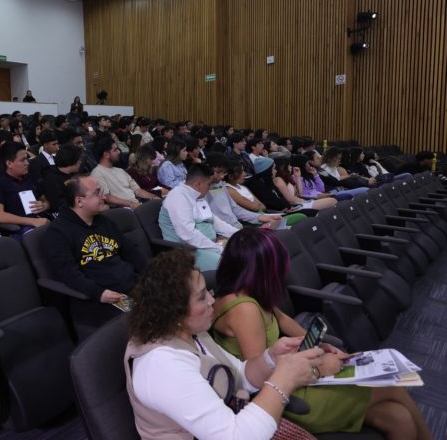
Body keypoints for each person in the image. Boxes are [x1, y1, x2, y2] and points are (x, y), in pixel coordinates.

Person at [212, 229, 433, 438]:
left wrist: (321, 346)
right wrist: (319, 367)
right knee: (394, 388)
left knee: (399, 419)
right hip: (285, 397)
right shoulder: (245, 309)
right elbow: (262, 378)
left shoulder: (252, 293)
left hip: (294, 376)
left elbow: (283, 320)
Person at [125, 248, 325, 440]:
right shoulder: (162, 365)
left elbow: (239, 374)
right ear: (175, 311)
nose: (212, 300)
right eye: (202, 296)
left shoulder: (193, 334)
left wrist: (272, 358)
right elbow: (235, 436)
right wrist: (285, 379)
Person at [43, 175, 148, 323]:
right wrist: (99, 293)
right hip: (101, 299)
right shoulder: (57, 233)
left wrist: (152, 274)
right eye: (97, 193)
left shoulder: (104, 222)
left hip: (132, 287)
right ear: (79, 201)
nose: (104, 196)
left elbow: (130, 252)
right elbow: (68, 274)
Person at [158, 164, 238, 271]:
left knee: (242, 250)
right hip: (186, 251)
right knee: (233, 263)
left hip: (207, 245)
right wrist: (219, 249)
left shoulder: (197, 195)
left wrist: (239, 234)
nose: (209, 188)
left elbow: (215, 222)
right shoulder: (178, 196)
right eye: (209, 184)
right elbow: (188, 234)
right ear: (199, 184)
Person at [0, 141, 50, 236]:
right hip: (22, 230)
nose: (27, 163)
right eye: (22, 160)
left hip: (43, 222)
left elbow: (44, 199)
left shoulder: (30, 177)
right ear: (9, 163)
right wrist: (32, 221)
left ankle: (82, 249)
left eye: (27, 159)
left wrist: (45, 205)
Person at [204, 153, 282, 228]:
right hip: (225, 231)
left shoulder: (221, 184)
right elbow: (212, 220)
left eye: (224, 173)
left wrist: (259, 217)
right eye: (218, 172)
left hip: (236, 226)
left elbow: (236, 209)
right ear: (208, 168)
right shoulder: (204, 189)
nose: (221, 176)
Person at [90, 137, 160, 210]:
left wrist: (153, 197)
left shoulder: (120, 170)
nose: (119, 152)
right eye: (115, 150)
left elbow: (138, 190)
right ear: (106, 155)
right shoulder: (97, 173)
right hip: (123, 210)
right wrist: (131, 204)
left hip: (137, 205)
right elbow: (107, 197)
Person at [273, 158, 337, 210]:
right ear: (282, 167)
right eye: (288, 165)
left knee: (333, 201)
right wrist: (309, 200)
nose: (291, 167)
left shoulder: (290, 179)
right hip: (297, 205)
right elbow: (291, 199)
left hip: (303, 201)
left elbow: (300, 194)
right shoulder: (278, 179)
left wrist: (298, 176)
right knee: (332, 201)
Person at [40, 143, 81, 214]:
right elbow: (60, 205)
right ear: (72, 161)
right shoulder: (51, 179)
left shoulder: (72, 174)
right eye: (79, 160)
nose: (80, 162)